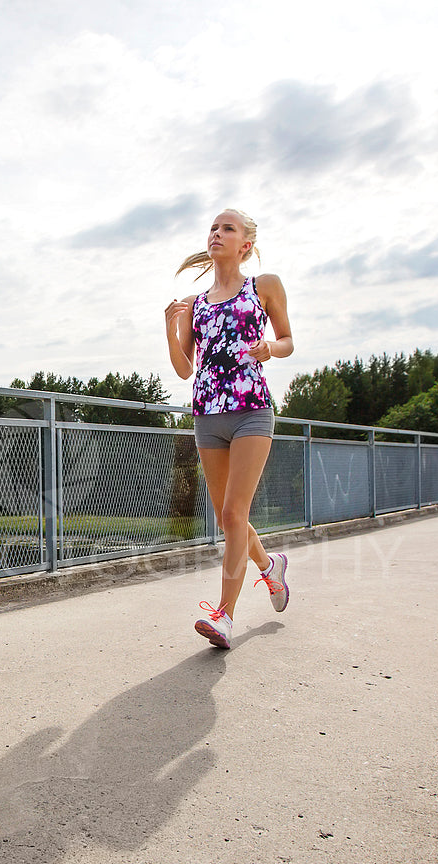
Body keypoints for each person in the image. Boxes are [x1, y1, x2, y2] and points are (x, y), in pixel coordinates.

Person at [165, 209, 295, 649]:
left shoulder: (264, 286)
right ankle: (270, 566)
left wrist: (269, 349)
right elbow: (184, 369)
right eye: (213, 228)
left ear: (245, 244)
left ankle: (224, 616)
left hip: (252, 410)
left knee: (235, 513)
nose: (216, 233)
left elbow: (288, 340)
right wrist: (170, 328)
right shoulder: (197, 303)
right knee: (228, 516)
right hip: (207, 416)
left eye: (227, 228)